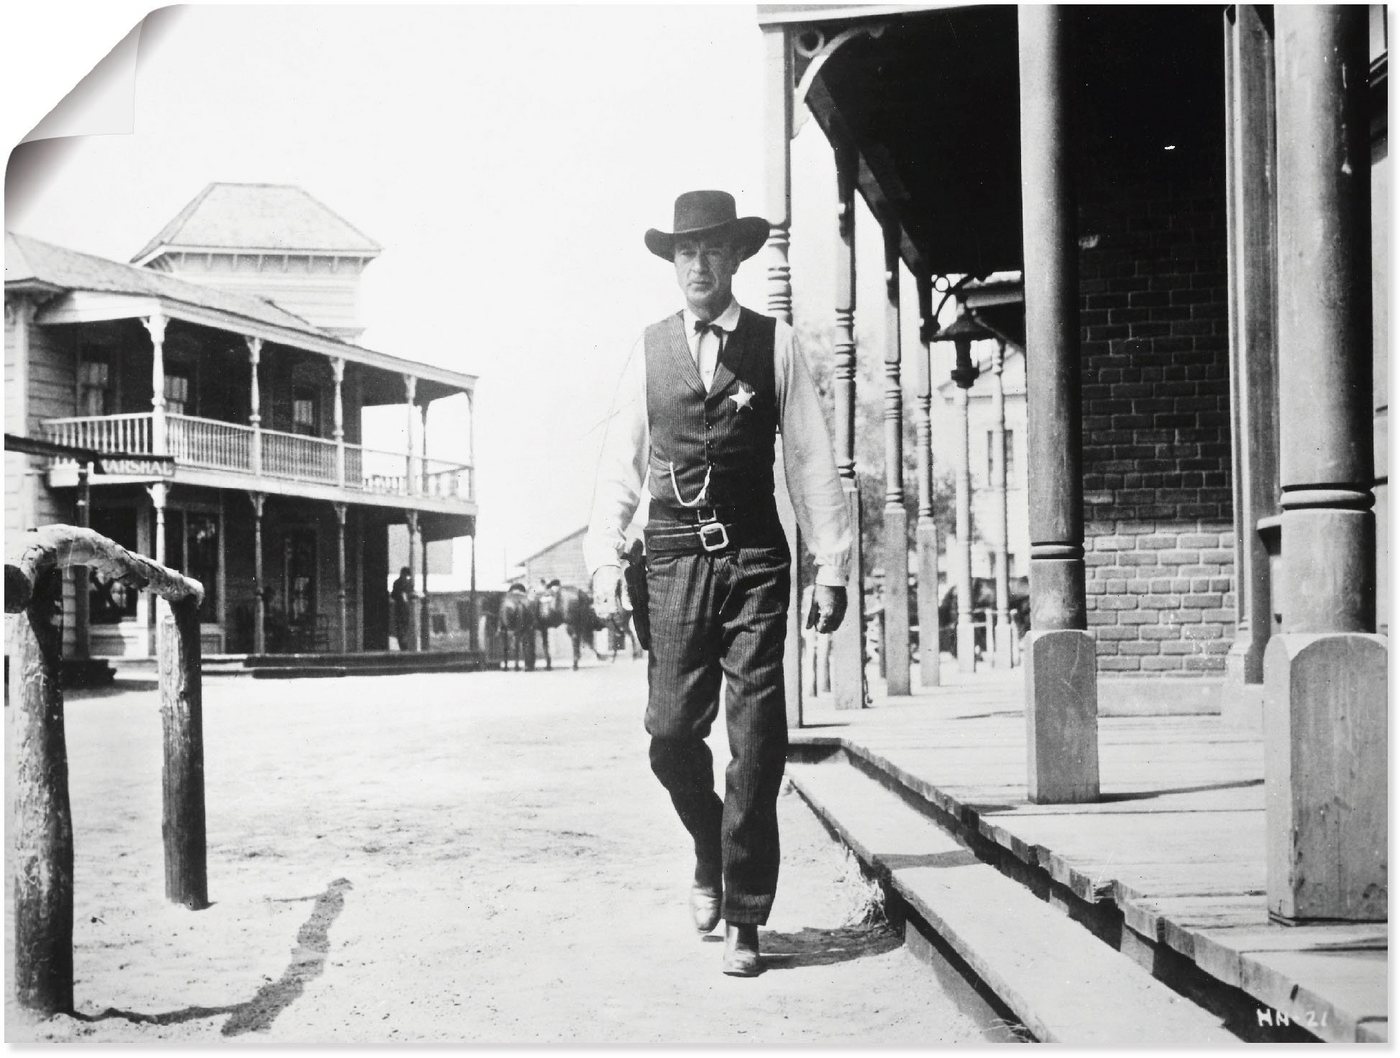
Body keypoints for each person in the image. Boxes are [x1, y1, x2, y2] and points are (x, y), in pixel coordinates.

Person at [586, 190, 851, 977]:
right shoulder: (648, 349)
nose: (697, 265)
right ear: (672, 264)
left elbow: (808, 458)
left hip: (756, 562)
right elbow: (619, 465)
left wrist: (829, 566)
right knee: (670, 735)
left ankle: (744, 915)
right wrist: (605, 558)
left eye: (711, 251)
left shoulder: (775, 345)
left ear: (736, 259)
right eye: (684, 252)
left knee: (757, 742)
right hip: (670, 559)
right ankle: (709, 843)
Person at [390, 566, 413, 650]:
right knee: (406, 626)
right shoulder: (409, 583)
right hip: (406, 608)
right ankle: (405, 644)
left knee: (399, 627)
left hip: (398, 607)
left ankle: (402, 645)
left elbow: (393, 595)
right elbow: (410, 595)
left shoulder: (396, 582)